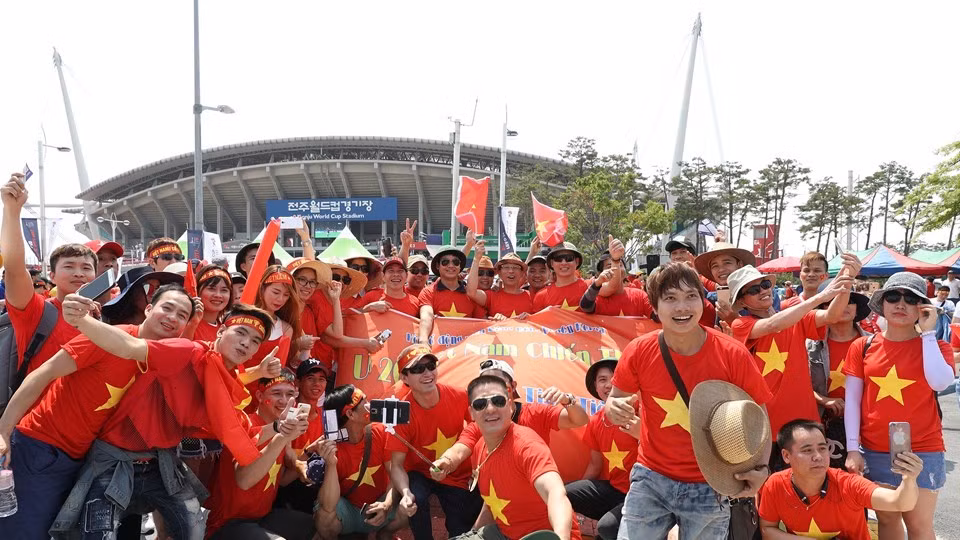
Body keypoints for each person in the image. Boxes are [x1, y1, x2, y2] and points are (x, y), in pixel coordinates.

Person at [48, 302, 280, 539]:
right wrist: (82, 321)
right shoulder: (187, 351)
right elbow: (129, 346)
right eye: (240, 332)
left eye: (255, 341)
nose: (246, 343)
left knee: (193, 530)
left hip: (159, 462)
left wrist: (279, 427)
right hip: (115, 460)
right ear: (221, 331)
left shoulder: (225, 380)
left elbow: (237, 424)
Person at [0, 285, 196, 538]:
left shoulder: (162, 361)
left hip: (84, 460)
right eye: (167, 308)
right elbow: (43, 374)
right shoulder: (107, 338)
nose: (172, 317)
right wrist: (4, 430)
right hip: (41, 447)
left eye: (182, 315)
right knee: (24, 532)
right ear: (148, 309)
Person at [604, 262, 772, 539]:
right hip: (651, 478)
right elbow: (614, 401)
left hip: (712, 484)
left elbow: (760, 415)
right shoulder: (639, 351)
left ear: (702, 301)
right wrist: (613, 408)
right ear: (654, 307)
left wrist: (761, 468)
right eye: (670, 298)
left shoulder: (732, 353)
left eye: (691, 296)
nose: (682, 307)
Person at [843, 272, 954, 540]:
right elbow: (852, 401)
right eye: (893, 297)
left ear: (922, 307)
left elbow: (940, 382)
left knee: (919, 525)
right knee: (887, 521)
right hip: (874, 449)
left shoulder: (937, 346)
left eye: (911, 298)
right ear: (882, 303)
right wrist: (852, 449)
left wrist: (928, 334)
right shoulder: (862, 346)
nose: (901, 304)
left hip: (923, 449)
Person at [728, 259, 858, 453]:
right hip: (766, 427)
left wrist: (847, 280)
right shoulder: (741, 325)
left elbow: (832, 316)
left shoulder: (796, 317)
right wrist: (820, 297)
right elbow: (773, 325)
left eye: (765, 285)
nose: (763, 291)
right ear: (741, 302)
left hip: (806, 424)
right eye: (754, 290)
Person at [452, 375, 580, 540]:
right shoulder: (480, 447)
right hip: (504, 532)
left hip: (543, 536)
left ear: (510, 406)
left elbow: (555, 493)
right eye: (480, 404)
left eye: (498, 401)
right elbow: (492, 502)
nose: (490, 409)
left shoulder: (527, 445)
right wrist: (474, 532)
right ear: (471, 413)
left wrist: (561, 537)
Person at [759, 420, 924, 540]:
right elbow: (767, 529)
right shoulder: (775, 484)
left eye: (822, 448)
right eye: (807, 450)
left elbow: (900, 502)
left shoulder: (849, 484)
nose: (818, 456)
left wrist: (909, 478)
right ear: (786, 456)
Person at [1, 172, 97, 374]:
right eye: (69, 266)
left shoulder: (103, 316)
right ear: (52, 276)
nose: (79, 273)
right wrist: (11, 210)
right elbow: (14, 269)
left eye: (86, 268)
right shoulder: (36, 312)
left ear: (95, 275)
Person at [204, 369, 314, 539]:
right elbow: (244, 481)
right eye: (276, 393)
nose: (284, 400)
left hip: (262, 517)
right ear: (260, 396)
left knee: (320, 525)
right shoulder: (244, 425)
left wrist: (304, 459)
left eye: (290, 394)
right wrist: (282, 436)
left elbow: (283, 472)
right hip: (227, 522)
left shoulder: (284, 425)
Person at [387, 344, 482, 540]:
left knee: (460, 530)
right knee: (415, 499)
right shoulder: (401, 413)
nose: (427, 373)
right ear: (404, 378)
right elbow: (396, 465)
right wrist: (405, 493)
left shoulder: (460, 396)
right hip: (420, 473)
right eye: (418, 369)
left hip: (455, 473)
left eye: (431, 366)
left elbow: (479, 429)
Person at [432, 358, 588, 478]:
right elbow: (460, 449)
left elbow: (579, 420)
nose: (493, 392)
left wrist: (568, 401)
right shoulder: (481, 423)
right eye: (486, 386)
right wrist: (446, 461)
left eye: (500, 386)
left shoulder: (536, 412)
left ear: (513, 387)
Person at [314, 385, 410, 539]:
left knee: (409, 504)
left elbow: (394, 475)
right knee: (324, 516)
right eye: (365, 402)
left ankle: (384, 535)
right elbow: (328, 505)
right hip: (350, 510)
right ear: (350, 414)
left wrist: (386, 505)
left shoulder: (380, 431)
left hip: (381, 505)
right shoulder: (331, 446)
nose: (371, 406)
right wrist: (331, 464)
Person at [564, 358, 637, 540]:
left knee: (606, 528)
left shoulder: (640, 410)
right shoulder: (596, 421)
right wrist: (577, 502)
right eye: (602, 380)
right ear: (595, 387)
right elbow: (595, 465)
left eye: (614, 377)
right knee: (562, 494)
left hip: (642, 492)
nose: (609, 384)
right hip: (614, 490)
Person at [805, 281, 872, 467]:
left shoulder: (874, 344)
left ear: (857, 308)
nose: (843, 305)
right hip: (822, 426)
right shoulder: (809, 346)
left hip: (867, 426)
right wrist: (824, 400)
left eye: (849, 300)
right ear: (823, 310)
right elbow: (797, 384)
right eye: (833, 300)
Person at [693, 241, 765, 323]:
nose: (721, 269)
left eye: (727, 263)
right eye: (715, 266)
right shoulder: (712, 299)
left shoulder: (764, 293)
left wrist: (735, 320)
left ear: (740, 265)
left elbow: (771, 326)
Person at [418, 245, 478, 341]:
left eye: (455, 262)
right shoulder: (428, 292)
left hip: (466, 348)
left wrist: (498, 320)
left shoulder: (471, 294)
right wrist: (423, 341)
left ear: (460, 266)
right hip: (437, 348)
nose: (451, 266)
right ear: (437, 266)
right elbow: (426, 317)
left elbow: (483, 322)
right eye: (445, 262)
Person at [581, 237, 652, 317]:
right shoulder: (596, 298)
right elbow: (585, 307)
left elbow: (657, 316)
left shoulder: (640, 296)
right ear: (600, 273)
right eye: (609, 266)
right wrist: (597, 283)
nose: (616, 269)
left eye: (620, 265)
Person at [467, 243, 533, 319]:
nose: (511, 271)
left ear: (522, 273)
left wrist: (531, 318)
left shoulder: (532, 297)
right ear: (499, 273)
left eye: (515, 267)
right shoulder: (491, 296)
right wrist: (476, 259)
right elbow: (471, 292)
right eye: (506, 267)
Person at [533, 242, 590, 312]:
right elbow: (536, 318)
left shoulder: (589, 289)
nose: (564, 263)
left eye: (569, 258)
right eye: (558, 259)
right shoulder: (541, 296)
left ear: (577, 261)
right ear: (552, 263)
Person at [189, 264, 235, 342]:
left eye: (224, 290)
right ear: (198, 291)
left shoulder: (226, 330)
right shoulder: (186, 324)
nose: (218, 295)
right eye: (211, 289)